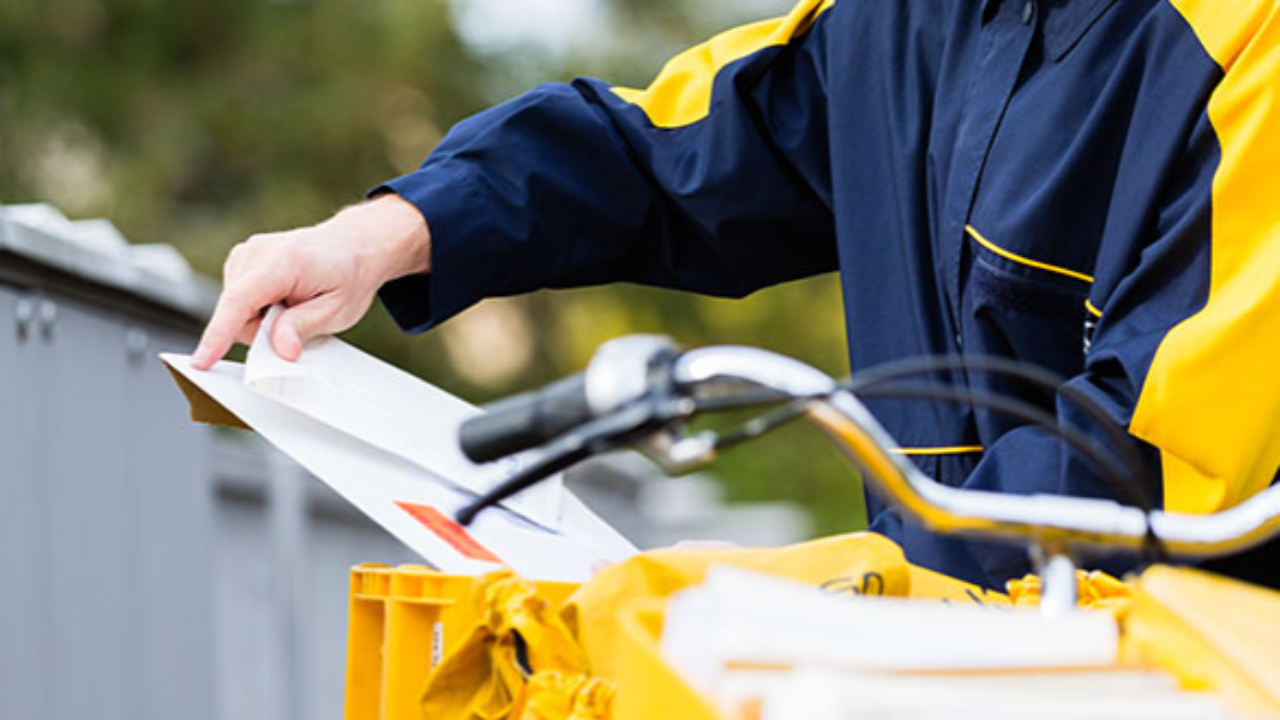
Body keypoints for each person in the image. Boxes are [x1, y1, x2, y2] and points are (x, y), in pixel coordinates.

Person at [192, 0, 1280, 589]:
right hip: (931, 668)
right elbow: (671, 152)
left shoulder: (1245, 44)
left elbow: (1143, 457)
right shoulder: (896, 24)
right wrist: (385, 233)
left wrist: (821, 598)